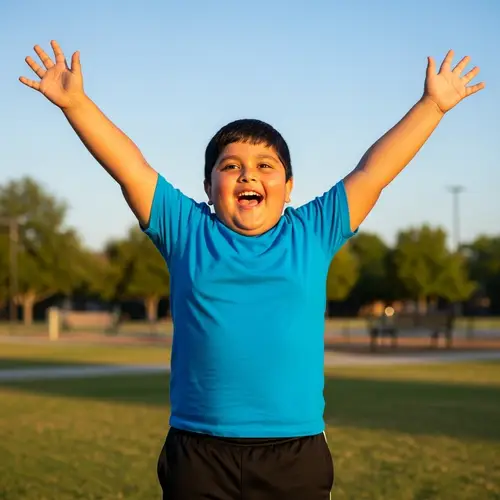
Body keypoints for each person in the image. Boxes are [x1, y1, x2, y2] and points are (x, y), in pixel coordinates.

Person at [20, 41, 484, 500]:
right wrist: (76, 104)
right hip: (198, 452)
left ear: (288, 187)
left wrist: (432, 106)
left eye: (265, 166)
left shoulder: (312, 231)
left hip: (294, 454)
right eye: (231, 166)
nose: (248, 175)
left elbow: (373, 172)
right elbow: (130, 169)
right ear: (208, 185)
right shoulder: (185, 230)